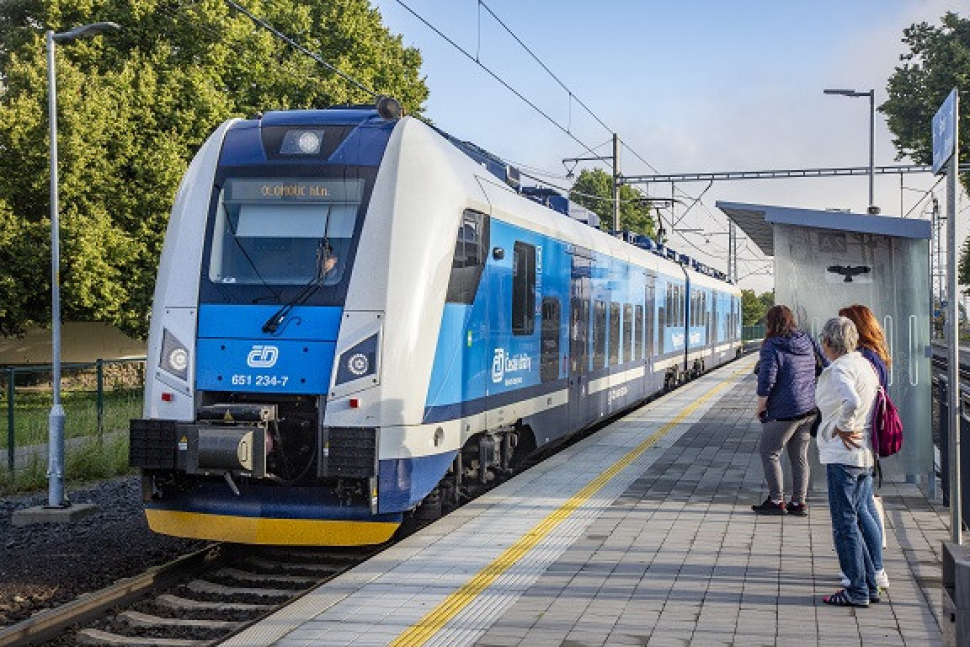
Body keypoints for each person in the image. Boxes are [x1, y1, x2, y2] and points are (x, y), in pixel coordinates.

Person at [816, 316, 881, 607]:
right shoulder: (864, 365)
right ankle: (868, 585)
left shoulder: (840, 369)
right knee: (853, 520)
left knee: (844, 524)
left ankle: (856, 590)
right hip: (864, 453)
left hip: (844, 455)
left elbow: (852, 401)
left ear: (828, 342)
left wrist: (842, 425)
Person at [838, 304, 891, 591]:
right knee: (865, 506)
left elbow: (858, 400)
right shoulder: (876, 355)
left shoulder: (865, 358)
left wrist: (843, 425)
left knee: (861, 508)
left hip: (859, 439)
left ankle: (876, 570)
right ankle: (875, 569)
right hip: (869, 438)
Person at [751, 305, 819, 516]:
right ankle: (799, 503)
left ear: (770, 323)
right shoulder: (806, 339)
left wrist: (761, 405)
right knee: (799, 457)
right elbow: (823, 364)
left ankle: (776, 499)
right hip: (808, 408)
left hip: (784, 410)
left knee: (769, 452)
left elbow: (767, 377)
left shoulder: (772, 345)